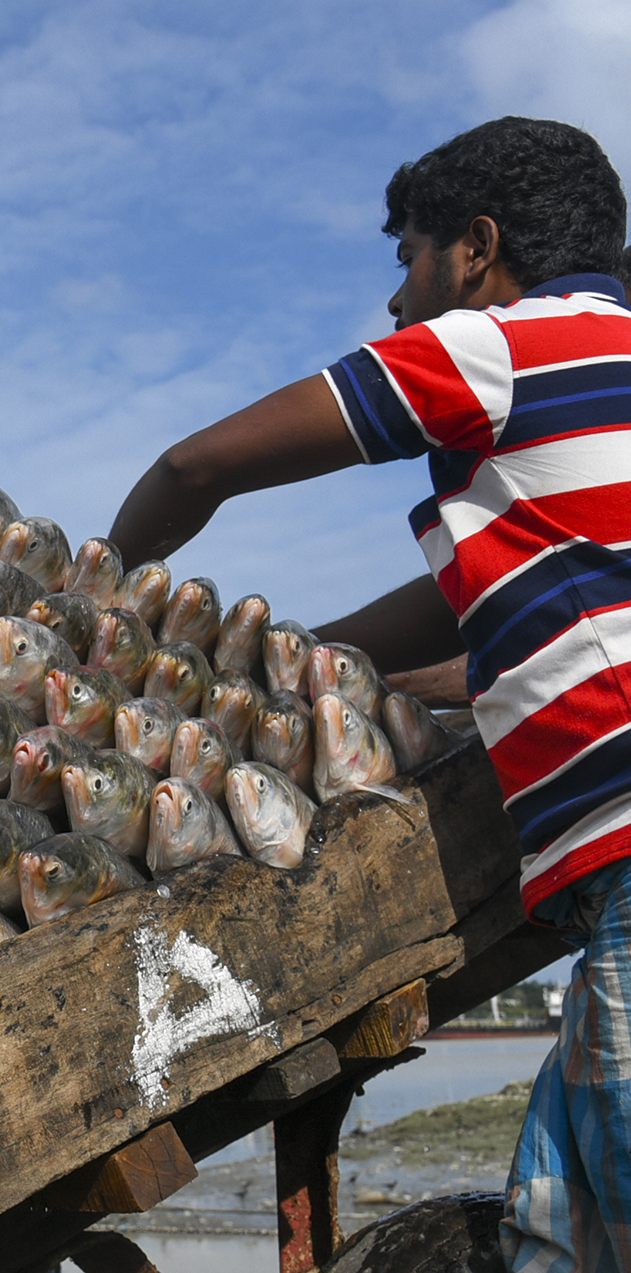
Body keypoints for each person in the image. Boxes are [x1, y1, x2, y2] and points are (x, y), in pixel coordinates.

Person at [107, 117, 631, 1271]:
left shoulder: (505, 347)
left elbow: (202, 465)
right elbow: (479, 614)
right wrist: (291, 659)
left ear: (475, 251)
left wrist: (102, 602)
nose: (398, 301)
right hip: (606, 904)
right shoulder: (604, 384)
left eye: (408, 258)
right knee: (555, 1233)